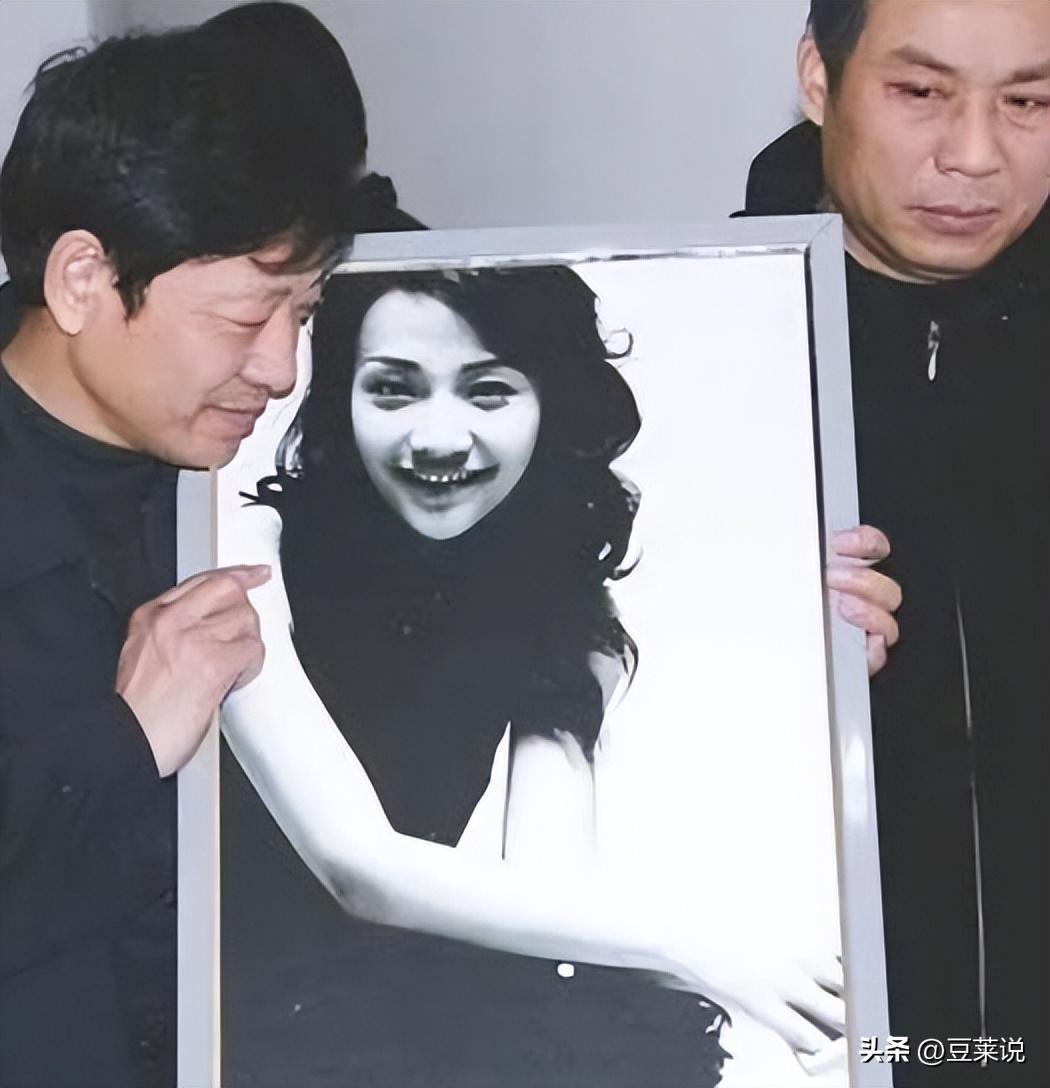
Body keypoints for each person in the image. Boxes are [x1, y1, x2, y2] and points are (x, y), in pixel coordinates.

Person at [218, 263, 895, 1086]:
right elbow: (355, 868)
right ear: (341, 399)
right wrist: (699, 943)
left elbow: (549, 895)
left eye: (489, 391)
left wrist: (781, 981)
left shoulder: (569, 614)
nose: (438, 438)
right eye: (393, 390)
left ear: (550, 403)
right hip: (220, 1006)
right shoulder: (248, 553)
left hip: (397, 997)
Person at [0, 12, 363, 1084]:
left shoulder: (278, 477)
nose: (282, 368)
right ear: (82, 281)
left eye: (306, 311)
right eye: (247, 317)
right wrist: (123, 742)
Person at [740, 2, 1050, 1083]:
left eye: (1029, 102)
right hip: (833, 1040)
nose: (974, 155)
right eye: (921, 93)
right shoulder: (702, 342)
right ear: (818, 79)